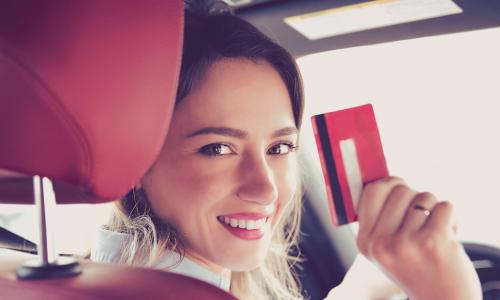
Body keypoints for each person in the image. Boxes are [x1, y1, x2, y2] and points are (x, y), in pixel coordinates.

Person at [91, 2, 481, 299]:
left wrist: (367, 281)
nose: (266, 189)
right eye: (218, 149)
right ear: (138, 160)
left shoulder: (96, 277)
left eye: (279, 147)